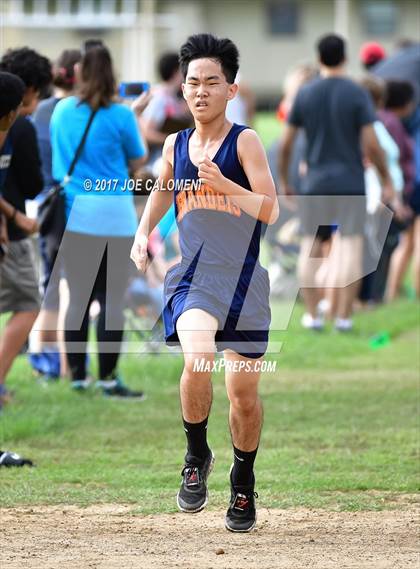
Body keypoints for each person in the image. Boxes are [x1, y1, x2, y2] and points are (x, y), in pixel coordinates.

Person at [131, 33, 278, 532]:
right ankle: (196, 455)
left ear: (230, 90)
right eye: (192, 82)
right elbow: (160, 191)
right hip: (193, 279)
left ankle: (243, 483)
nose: (200, 92)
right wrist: (142, 232)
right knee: (197, 357)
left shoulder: (247, 142)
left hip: (244, 282)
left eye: (211, 82)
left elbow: (270, 209)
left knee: (242, 396)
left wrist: (225, 186)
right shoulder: (174, 143)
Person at [51, 45, 149, 398]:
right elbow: (138, 159)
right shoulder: (121, 116)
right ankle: (108, 379)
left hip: (76, 217)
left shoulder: (62, 110)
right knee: (111, 301)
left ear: (79, 73)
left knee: (77, 298)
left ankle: (78, 376)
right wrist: (134, 115)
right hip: (116, 219)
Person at [280, 34, 393, 331]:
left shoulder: (305, 94)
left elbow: (287, 143)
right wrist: (386, 178)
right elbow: (371, 143)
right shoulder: (356, 93)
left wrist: (283, 179)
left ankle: (313, 315)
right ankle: (343, 317)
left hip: (315, 183)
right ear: (345, 58)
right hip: (350, 183)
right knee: (351, 248)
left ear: (319, 58)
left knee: (310, 247)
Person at [0, 48, 52, 409]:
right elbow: (33, 183)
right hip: (13, 235)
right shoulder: (18, 126)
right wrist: (15, 217)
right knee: (28, 304)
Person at [29, 48, 82, 381]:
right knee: (72, 289)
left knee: (49, 285)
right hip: (74, 206)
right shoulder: (76, 111)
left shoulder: (39, 112)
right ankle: (67, 366)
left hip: (43, 205)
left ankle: (41, 364)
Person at [141, 51, 192, 167]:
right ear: (175, 71)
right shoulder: (159, 97)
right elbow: (147, 133)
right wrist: (172, 139)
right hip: (155, 163)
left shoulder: (174, 97)